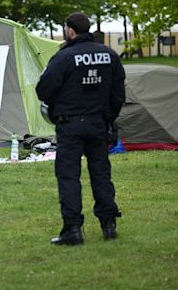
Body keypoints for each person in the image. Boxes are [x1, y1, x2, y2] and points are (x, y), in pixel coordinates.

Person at [36, 12, 125, 245]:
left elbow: (43, 90)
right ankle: (109, 225)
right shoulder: (110, 55)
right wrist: (106, 118)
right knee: (101, 174)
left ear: (70, 31)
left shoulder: (64, 57)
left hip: (70, 124)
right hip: (98, 124)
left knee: (68, 176)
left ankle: (73, 230)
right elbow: (118, 94)